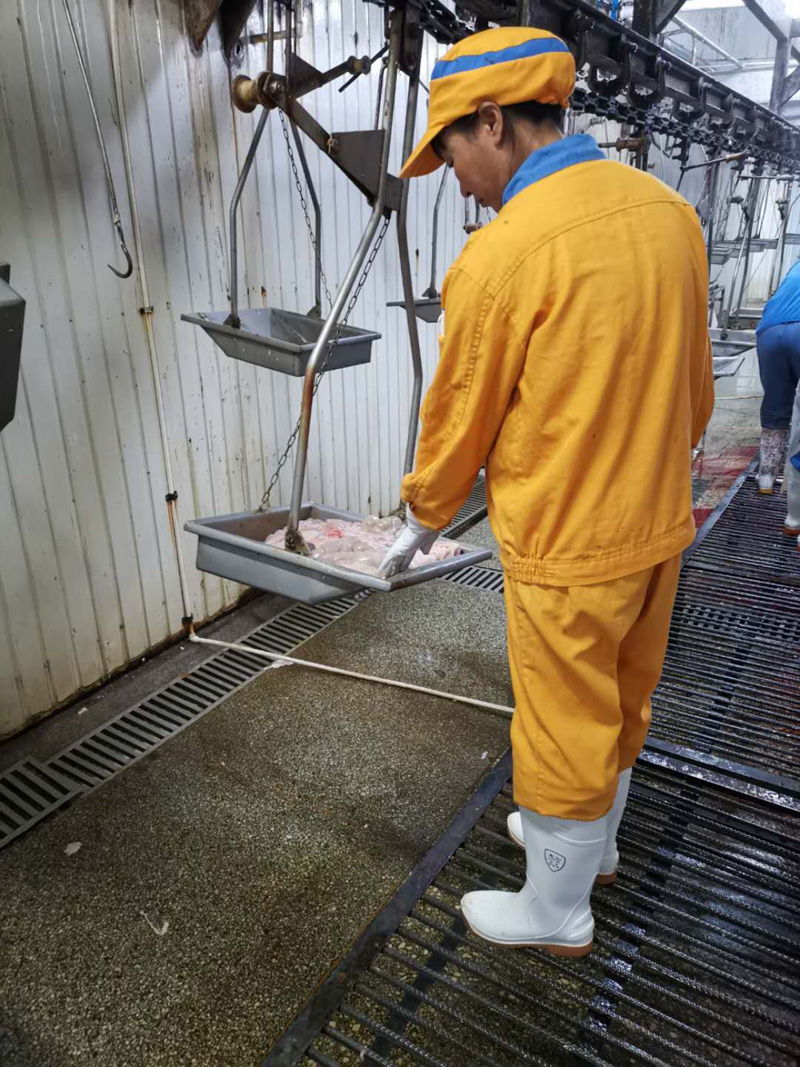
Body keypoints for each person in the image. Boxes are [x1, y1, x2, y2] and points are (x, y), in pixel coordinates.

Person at [379, 27, 714, 957]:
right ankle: (591, 848)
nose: (456, 180)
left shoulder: (506, 252)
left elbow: (460, 412)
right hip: (659, 522)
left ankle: (557, 911)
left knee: (564, 720)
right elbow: (697, 390)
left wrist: (422, 514)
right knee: (623, 696)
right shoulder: (670, 215)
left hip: (569, 539)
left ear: (492, 122)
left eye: (451, 152)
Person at [755, 260, 800, 493]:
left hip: (769, 331)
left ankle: (766, 477)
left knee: (774, 406)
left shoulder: (796, 266)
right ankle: (794, 479)